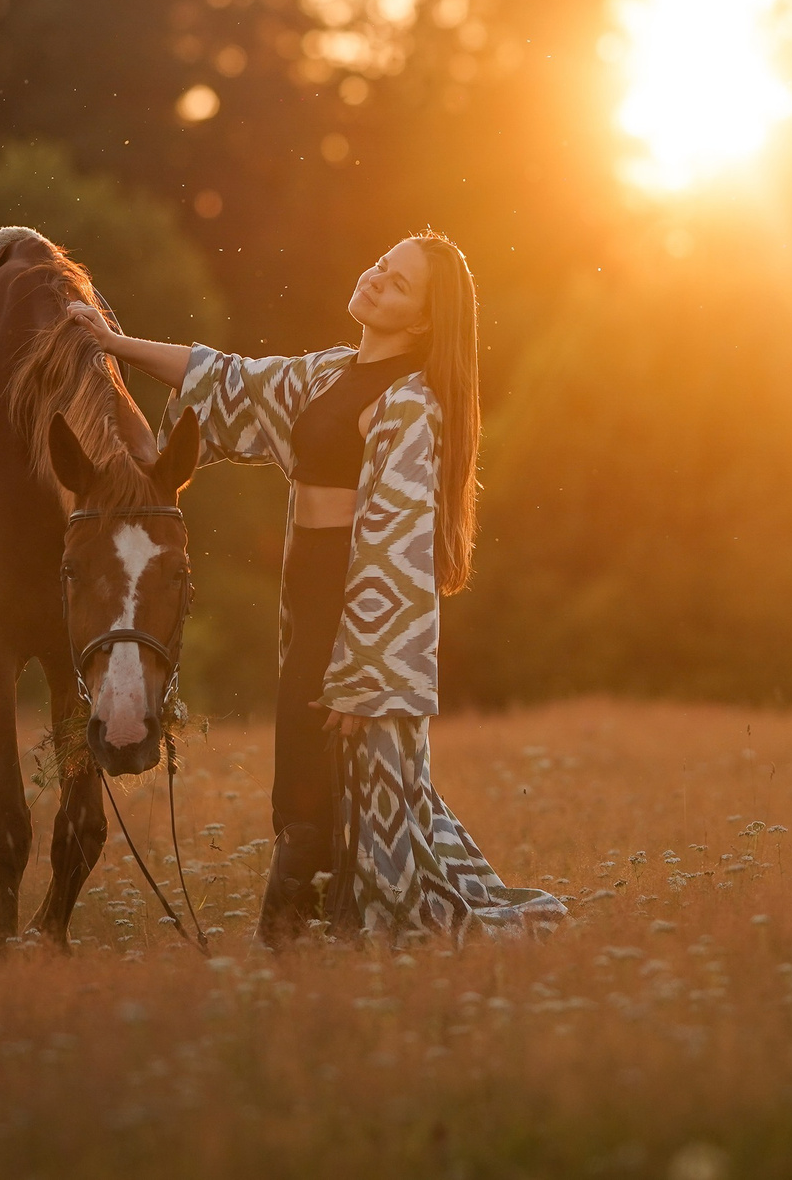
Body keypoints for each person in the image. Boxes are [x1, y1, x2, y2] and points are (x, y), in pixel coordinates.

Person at [94, 233, 564, 945]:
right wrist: (111, 342)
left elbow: (393, 553)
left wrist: (365, 678)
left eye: (398, 285)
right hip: (307, 599)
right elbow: (229, 380)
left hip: (351, 607)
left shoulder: (409, 402)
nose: (377, 279)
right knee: (299, 776)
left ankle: (282, 941)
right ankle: (309, 936)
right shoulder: (330, 373)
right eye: (382, 264)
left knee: (316, 783)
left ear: (423, 323)